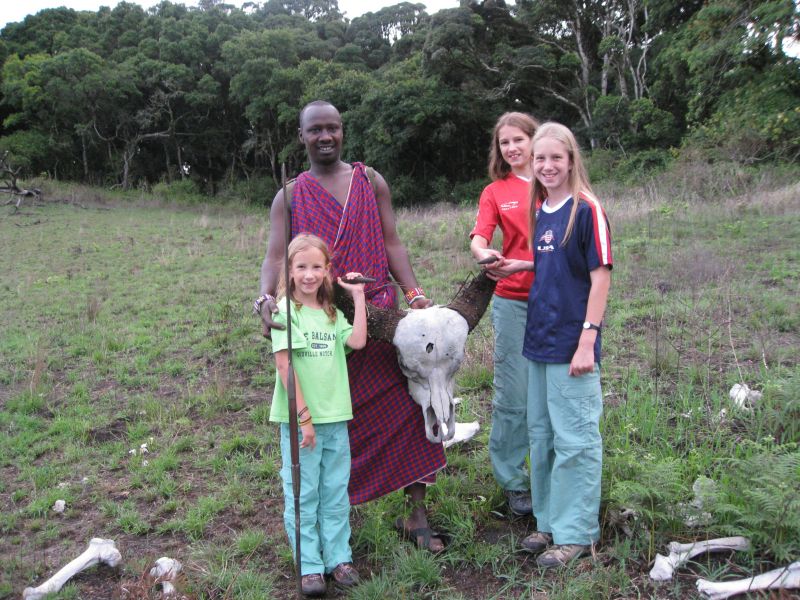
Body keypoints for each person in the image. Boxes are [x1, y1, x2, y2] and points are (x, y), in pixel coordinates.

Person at [257, 100, 447, 553]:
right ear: (301, 136)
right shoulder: (289, 195)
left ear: (342, 132)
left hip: (378, 315)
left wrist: (415, 295)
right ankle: (331, 517)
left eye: (333, 128)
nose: (325, 137)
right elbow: (277, 255)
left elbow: (391, 241)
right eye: (315, 130)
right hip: (320, 320)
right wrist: (264, 298)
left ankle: (416, 513)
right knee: (334, 423)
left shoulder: (370, 180)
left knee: (405, 410)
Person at [516, 122, 613, 568]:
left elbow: (599, 277)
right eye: (540, 159)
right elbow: (552, 264)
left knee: (575, 440)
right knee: (542, 436)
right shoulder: (542, 207)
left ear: (572, 159)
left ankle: (576, 534)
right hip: (538, 340)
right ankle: (549, 521)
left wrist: (586, 341)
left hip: (572, 344)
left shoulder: (587, 209)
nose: (548, 166)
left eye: (556, 158)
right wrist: (513, 264)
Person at [269, 234, 367, 596]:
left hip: (336, 418)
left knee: (335, 492)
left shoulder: (331, 313)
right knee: (303, 493)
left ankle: (338, 558)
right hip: (301, 423)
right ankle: (309, 564)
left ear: (327, 271)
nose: (309, 275)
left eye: (316, 267)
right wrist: (305, 419)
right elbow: (285, 367)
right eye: (301, 267)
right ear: (290, 271)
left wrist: (357, 297)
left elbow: (357, 342)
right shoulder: (285, 312)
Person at [469, 112, 538, 516]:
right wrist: (482, 252)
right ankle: (513, 481)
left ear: (535, 140)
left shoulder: (556, 182)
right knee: (513, 393)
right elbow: (480, 236)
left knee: (553, 394)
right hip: (512, 299)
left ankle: (549, 476)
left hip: (558, 301)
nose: (511, 148)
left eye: (518, 140)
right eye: (504, 143)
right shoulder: (496, 191)